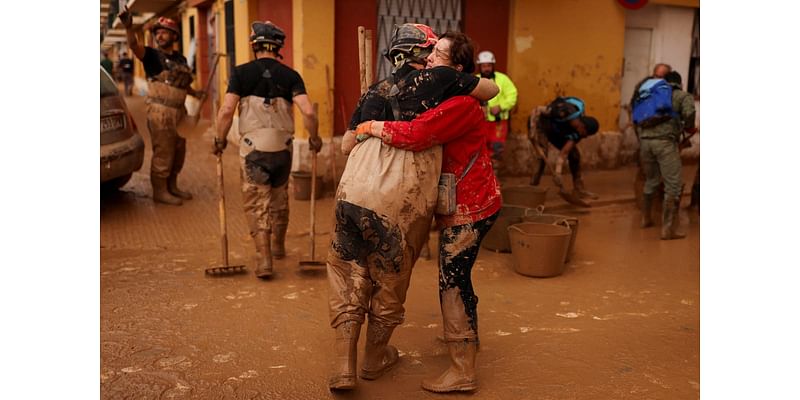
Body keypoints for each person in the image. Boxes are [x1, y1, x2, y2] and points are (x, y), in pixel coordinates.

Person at [327, 24, 498, 391]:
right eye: (432, 51)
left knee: (348, 272)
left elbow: (344, 146)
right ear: (424, 54)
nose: (435, 58)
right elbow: (489, 90)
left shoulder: (374, 89)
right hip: (399, 195)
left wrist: (370, 116)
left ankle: (344, 366)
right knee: (389, 278)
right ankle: (373, 360)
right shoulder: (442, 82)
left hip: (353, 188)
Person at [213, 21, 321, 279]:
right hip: (283, 150)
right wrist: (314, 138)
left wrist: (219, 139)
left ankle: (265, 259)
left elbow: (227, 110)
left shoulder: (240, 74)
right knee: (279, 198)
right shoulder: (291, 76)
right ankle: (279, 246)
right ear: (278, 47)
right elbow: (307, 110)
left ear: (255, 46)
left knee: (256, 202)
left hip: (253, 151)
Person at [120, 8, 204, 206]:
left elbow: (182, 84)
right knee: (164, 152)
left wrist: (195, 93)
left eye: (164, 32)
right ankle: (160, 191)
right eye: (157, 32)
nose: (159, 35)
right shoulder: (150, 55)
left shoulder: (181, 59)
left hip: (179, 112)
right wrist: (129, 27)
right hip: (160, 112)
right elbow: (133, 44)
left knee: (178, 152)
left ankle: (172, 185)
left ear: (174, 35)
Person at [638, 71, 696, 240]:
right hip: (665, 144)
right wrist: (689, 126)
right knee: (673, 186)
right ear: (680, 83)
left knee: (651, 181)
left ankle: (645, 219)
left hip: (645, 143)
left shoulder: (651, 95)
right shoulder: (683, 95)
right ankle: (668, 230)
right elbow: (690, 113)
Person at [530, 97, 600, 199]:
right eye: (586, 134)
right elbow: (537, 110)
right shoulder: (564, 111)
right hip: (542, 125)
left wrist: (558, 173)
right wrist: (532, 130)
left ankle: (579, 190)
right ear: (582, 126)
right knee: (542, 157)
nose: (585, 136)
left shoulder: (577, 133)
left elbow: (564, 152)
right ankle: (532, 189)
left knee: (575, 155)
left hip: (557, 133)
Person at [475, 50, 517, 167]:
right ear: (480, 67)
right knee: (480, 150)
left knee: (497, 150)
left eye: (489, 65)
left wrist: (501, 106)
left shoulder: (503, 79)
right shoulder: (474, 80)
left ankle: (495, 178)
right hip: (480, 122)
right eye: (484, 66)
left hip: (498, 123)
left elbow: (512, 95)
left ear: (493, 66)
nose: (486, 68)